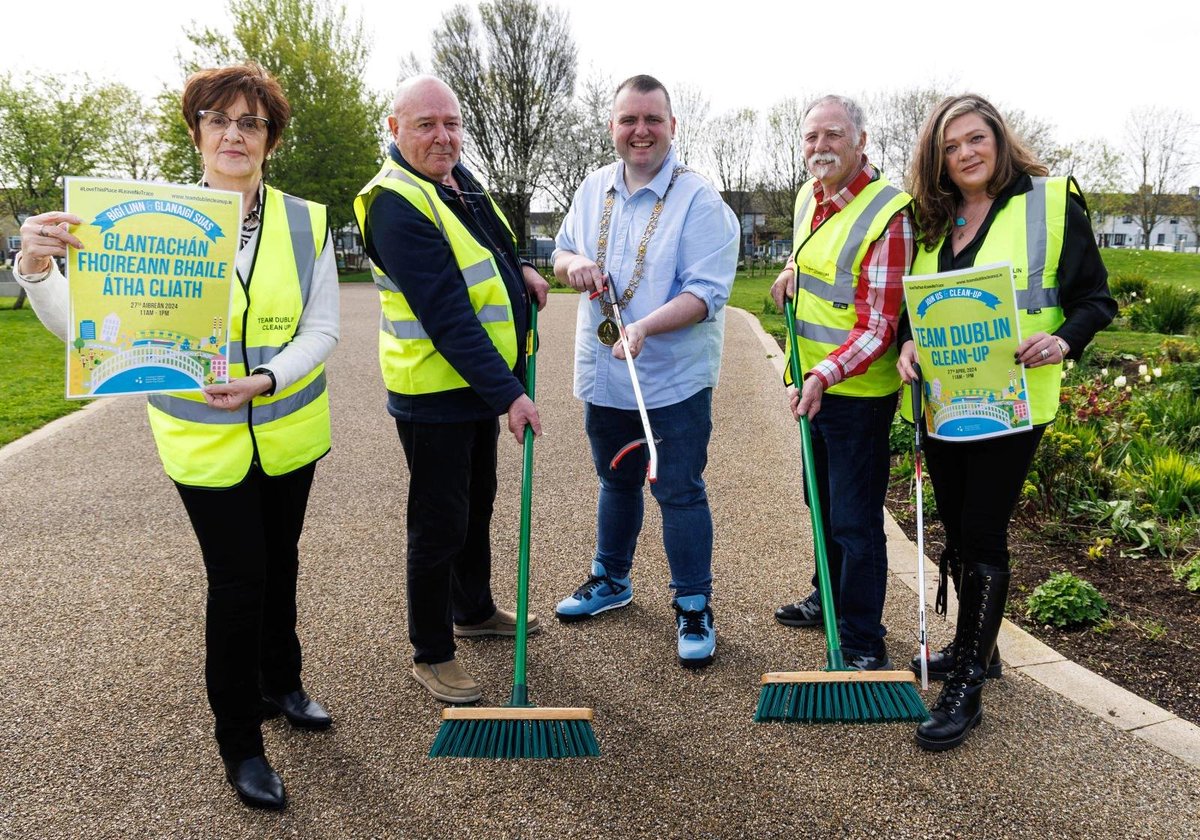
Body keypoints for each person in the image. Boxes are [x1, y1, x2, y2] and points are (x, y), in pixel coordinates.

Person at [14, 63, 338, 810]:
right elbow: (89, 331)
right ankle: (240, 744)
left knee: (280, 562)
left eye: (250, 122)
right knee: (238, 582)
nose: (234, 133)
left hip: (287, 430)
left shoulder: (305, 220)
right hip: (202, 443)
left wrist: (265, 380)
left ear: (270, 139)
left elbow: (321, 328)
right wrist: (35, 266)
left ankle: (281, 682)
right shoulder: (145, 216)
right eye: (218, 119)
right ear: (195, 131)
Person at [899, 93, 1116, 751]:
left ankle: (967, 682)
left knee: (985, 533)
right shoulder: (932, 220)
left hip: (1013, 406)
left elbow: (1095, 300)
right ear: (937, 160)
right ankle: (982, 648)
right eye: (950, 146)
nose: (965, 153)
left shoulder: (1050, 205)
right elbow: (919, 308)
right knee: (959, 532)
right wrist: (909, 344)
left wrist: (1064, 341)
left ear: (998, 138)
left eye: (975, 139)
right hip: (947, 404)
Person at [352, 76, 547, 705]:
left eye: (452, 123)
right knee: (438, 524)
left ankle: (475, 608)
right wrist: (509, 394)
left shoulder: (459, 183)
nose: (443, 136)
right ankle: (432, 651)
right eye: (427, 125)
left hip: (475, 392)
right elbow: (447, 314)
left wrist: (521, 270)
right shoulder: (394, 203)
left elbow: (495, 245)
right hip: (433, 393)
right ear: (395, 128)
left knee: (477, 506)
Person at [551, 74, 739, 669]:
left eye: (652, 119)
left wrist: (644, 327)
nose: (640, 131)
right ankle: (611, 579)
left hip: (673, 376)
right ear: (613, 126)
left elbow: (707, 294)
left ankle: (692, 602)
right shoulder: (590, 188)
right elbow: (558, 253)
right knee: (616, 479)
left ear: (672, 127)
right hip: (604, 374)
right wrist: (575, 262)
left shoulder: (701, 202)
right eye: (629, 119)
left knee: (678, 488)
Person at [770, 94, 913, 670]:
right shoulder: (811, 196)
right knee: (820, 503)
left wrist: (823, 376)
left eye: (832, 136)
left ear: (860, 143)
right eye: (811, 138)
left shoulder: (888, 212)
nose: (820, 147)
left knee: (856, 520)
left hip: (856, 396)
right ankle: (826, 596)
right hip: (814, 387)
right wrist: (788, 273)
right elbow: (822, 267)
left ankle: (860, 638)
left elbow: (879, 323)